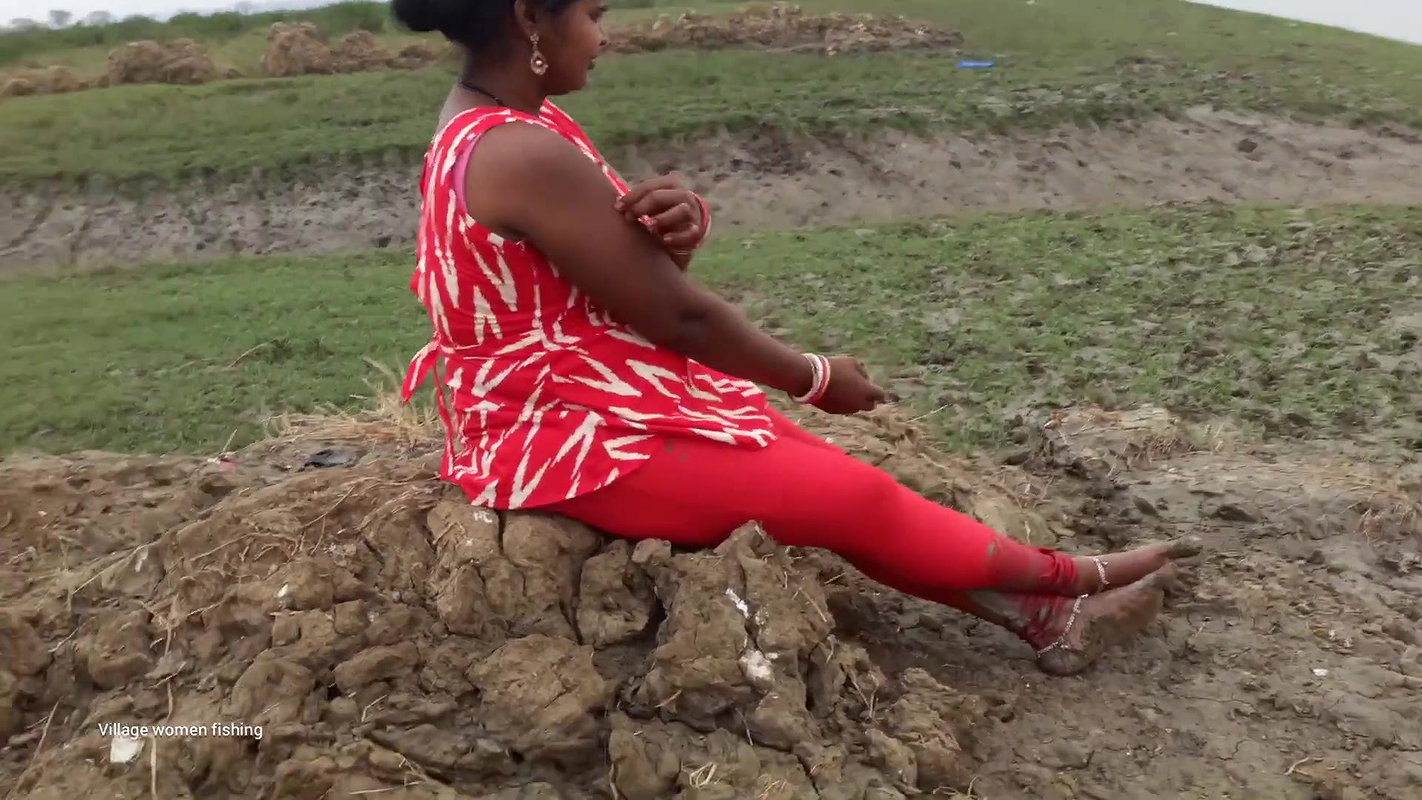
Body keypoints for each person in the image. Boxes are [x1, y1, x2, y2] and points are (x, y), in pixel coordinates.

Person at [391, 0, 1201, 675]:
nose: (607, 36)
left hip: (595, 391)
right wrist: (816, 377)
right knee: (855, 498)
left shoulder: (517, 124)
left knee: (824, 482)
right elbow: (680, 317)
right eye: (596, 15)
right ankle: (1073, 578)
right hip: (553, 432)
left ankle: (1051, 616)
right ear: (532, 17)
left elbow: (612, 266)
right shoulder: (522, 149)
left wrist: (681, 220)